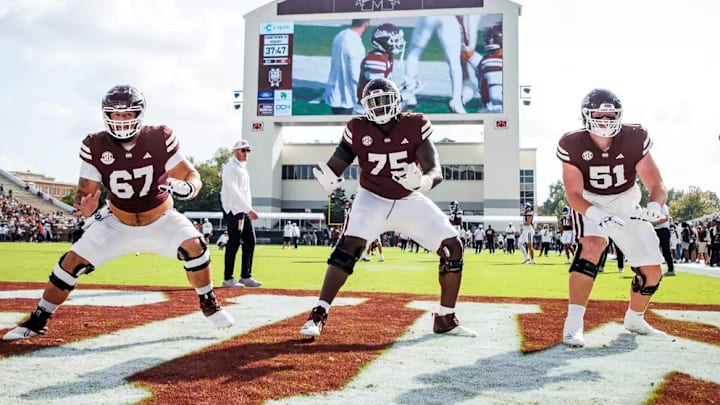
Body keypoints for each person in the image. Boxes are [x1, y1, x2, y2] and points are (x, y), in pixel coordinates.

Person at [3, 85, 233, 340]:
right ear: (106, 116)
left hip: (161, 219)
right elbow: (85, 191)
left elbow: (192, 175)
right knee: (70, 263)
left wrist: (189, 188)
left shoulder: (158, 138)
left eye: (127, 114)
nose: (121, 120)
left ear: (139, 114)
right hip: (117, 221)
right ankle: (38, 319)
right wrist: (84, 204)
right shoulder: (95, 144)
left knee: (195, 246)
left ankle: (208, 300)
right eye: (115, 114)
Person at [300, 77, 476, 338]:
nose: (380, 107)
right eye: (374, 103)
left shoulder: (415, 124)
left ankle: (445, 318)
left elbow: (434, 169)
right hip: (372, 198)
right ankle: (319, 313)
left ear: (396, 100)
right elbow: (336, 165)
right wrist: (328, 178)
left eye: (384, 101)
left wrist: (423, 182)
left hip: (408, 199)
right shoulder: (357, 128)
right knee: (348, 248)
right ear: (364, 106)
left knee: (453, 247)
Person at [556, 88, 668, 347]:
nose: (605, 121)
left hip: (625, 199)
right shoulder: (571, 143)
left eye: (610, 115)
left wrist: (654, 205)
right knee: (592, 247)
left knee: (652, 272)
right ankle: (573, 324)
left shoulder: (634, 136)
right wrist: (597, 214)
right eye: (599, 115)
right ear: (586, 115)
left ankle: (635, 318)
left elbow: (658, 185)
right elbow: (573, 193)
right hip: (590, 199)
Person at [220, 139, 261, 288]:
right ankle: (228, 278)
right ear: (235, 151)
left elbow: (244, 193)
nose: (246, 153)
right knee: (234, 243)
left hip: (243, 210)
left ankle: (245, 275)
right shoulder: (230, 168)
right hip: (234, 211)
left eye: (248, 151)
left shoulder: (242, 168)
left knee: (250, 241)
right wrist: (248, 209)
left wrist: (247, 208)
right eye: (243, 150)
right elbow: (234, 191)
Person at [353, 23, 406, 115]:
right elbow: (377, 92)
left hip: (375, 107)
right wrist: (400, 94)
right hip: (366, 110)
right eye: (395, 40)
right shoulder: (376, 59)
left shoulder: (386, 56)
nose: (399, 42)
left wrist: (401, 88)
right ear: (384, 41)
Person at [324, 19, 370, 115]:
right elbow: (356, 74)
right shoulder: (355, 43)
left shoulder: (340, 35)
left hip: (335, 95)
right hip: (348, 99)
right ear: (366, 24)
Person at [652, 204, 675, 276]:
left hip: (663, 230)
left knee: (665, 250)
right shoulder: (653, 207)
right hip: (656, 230)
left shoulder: (663, 206)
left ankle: (671, 269)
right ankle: (655, 271)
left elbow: (666, 218)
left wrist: (653, 223)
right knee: (654, 251)